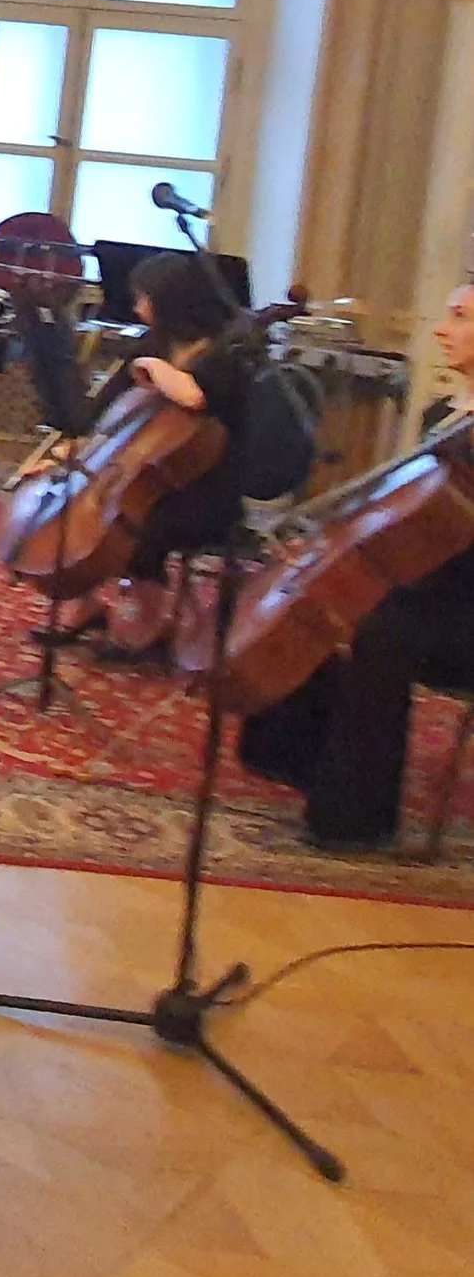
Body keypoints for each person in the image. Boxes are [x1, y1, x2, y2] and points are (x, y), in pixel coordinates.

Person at [237, 284, 474, 849]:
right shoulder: (445, 414)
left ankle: (358, 822)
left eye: (460, 317)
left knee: (379, 629)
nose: (442, 330)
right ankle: (307, 763)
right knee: (328, 595)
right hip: (425, 582)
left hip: (464, 604)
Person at [52, 250, 253, 655]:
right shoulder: (155, 343)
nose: (137, 306)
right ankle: (84, 604)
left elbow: (195, 396)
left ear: (170, 300)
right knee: (76, 504)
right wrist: (82, 446)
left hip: (204, 486)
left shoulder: (225, 355)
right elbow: (109, 405)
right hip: (149, 471)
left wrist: (153, 367)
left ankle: (150, 626)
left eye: (143, 297)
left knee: (135, 527)